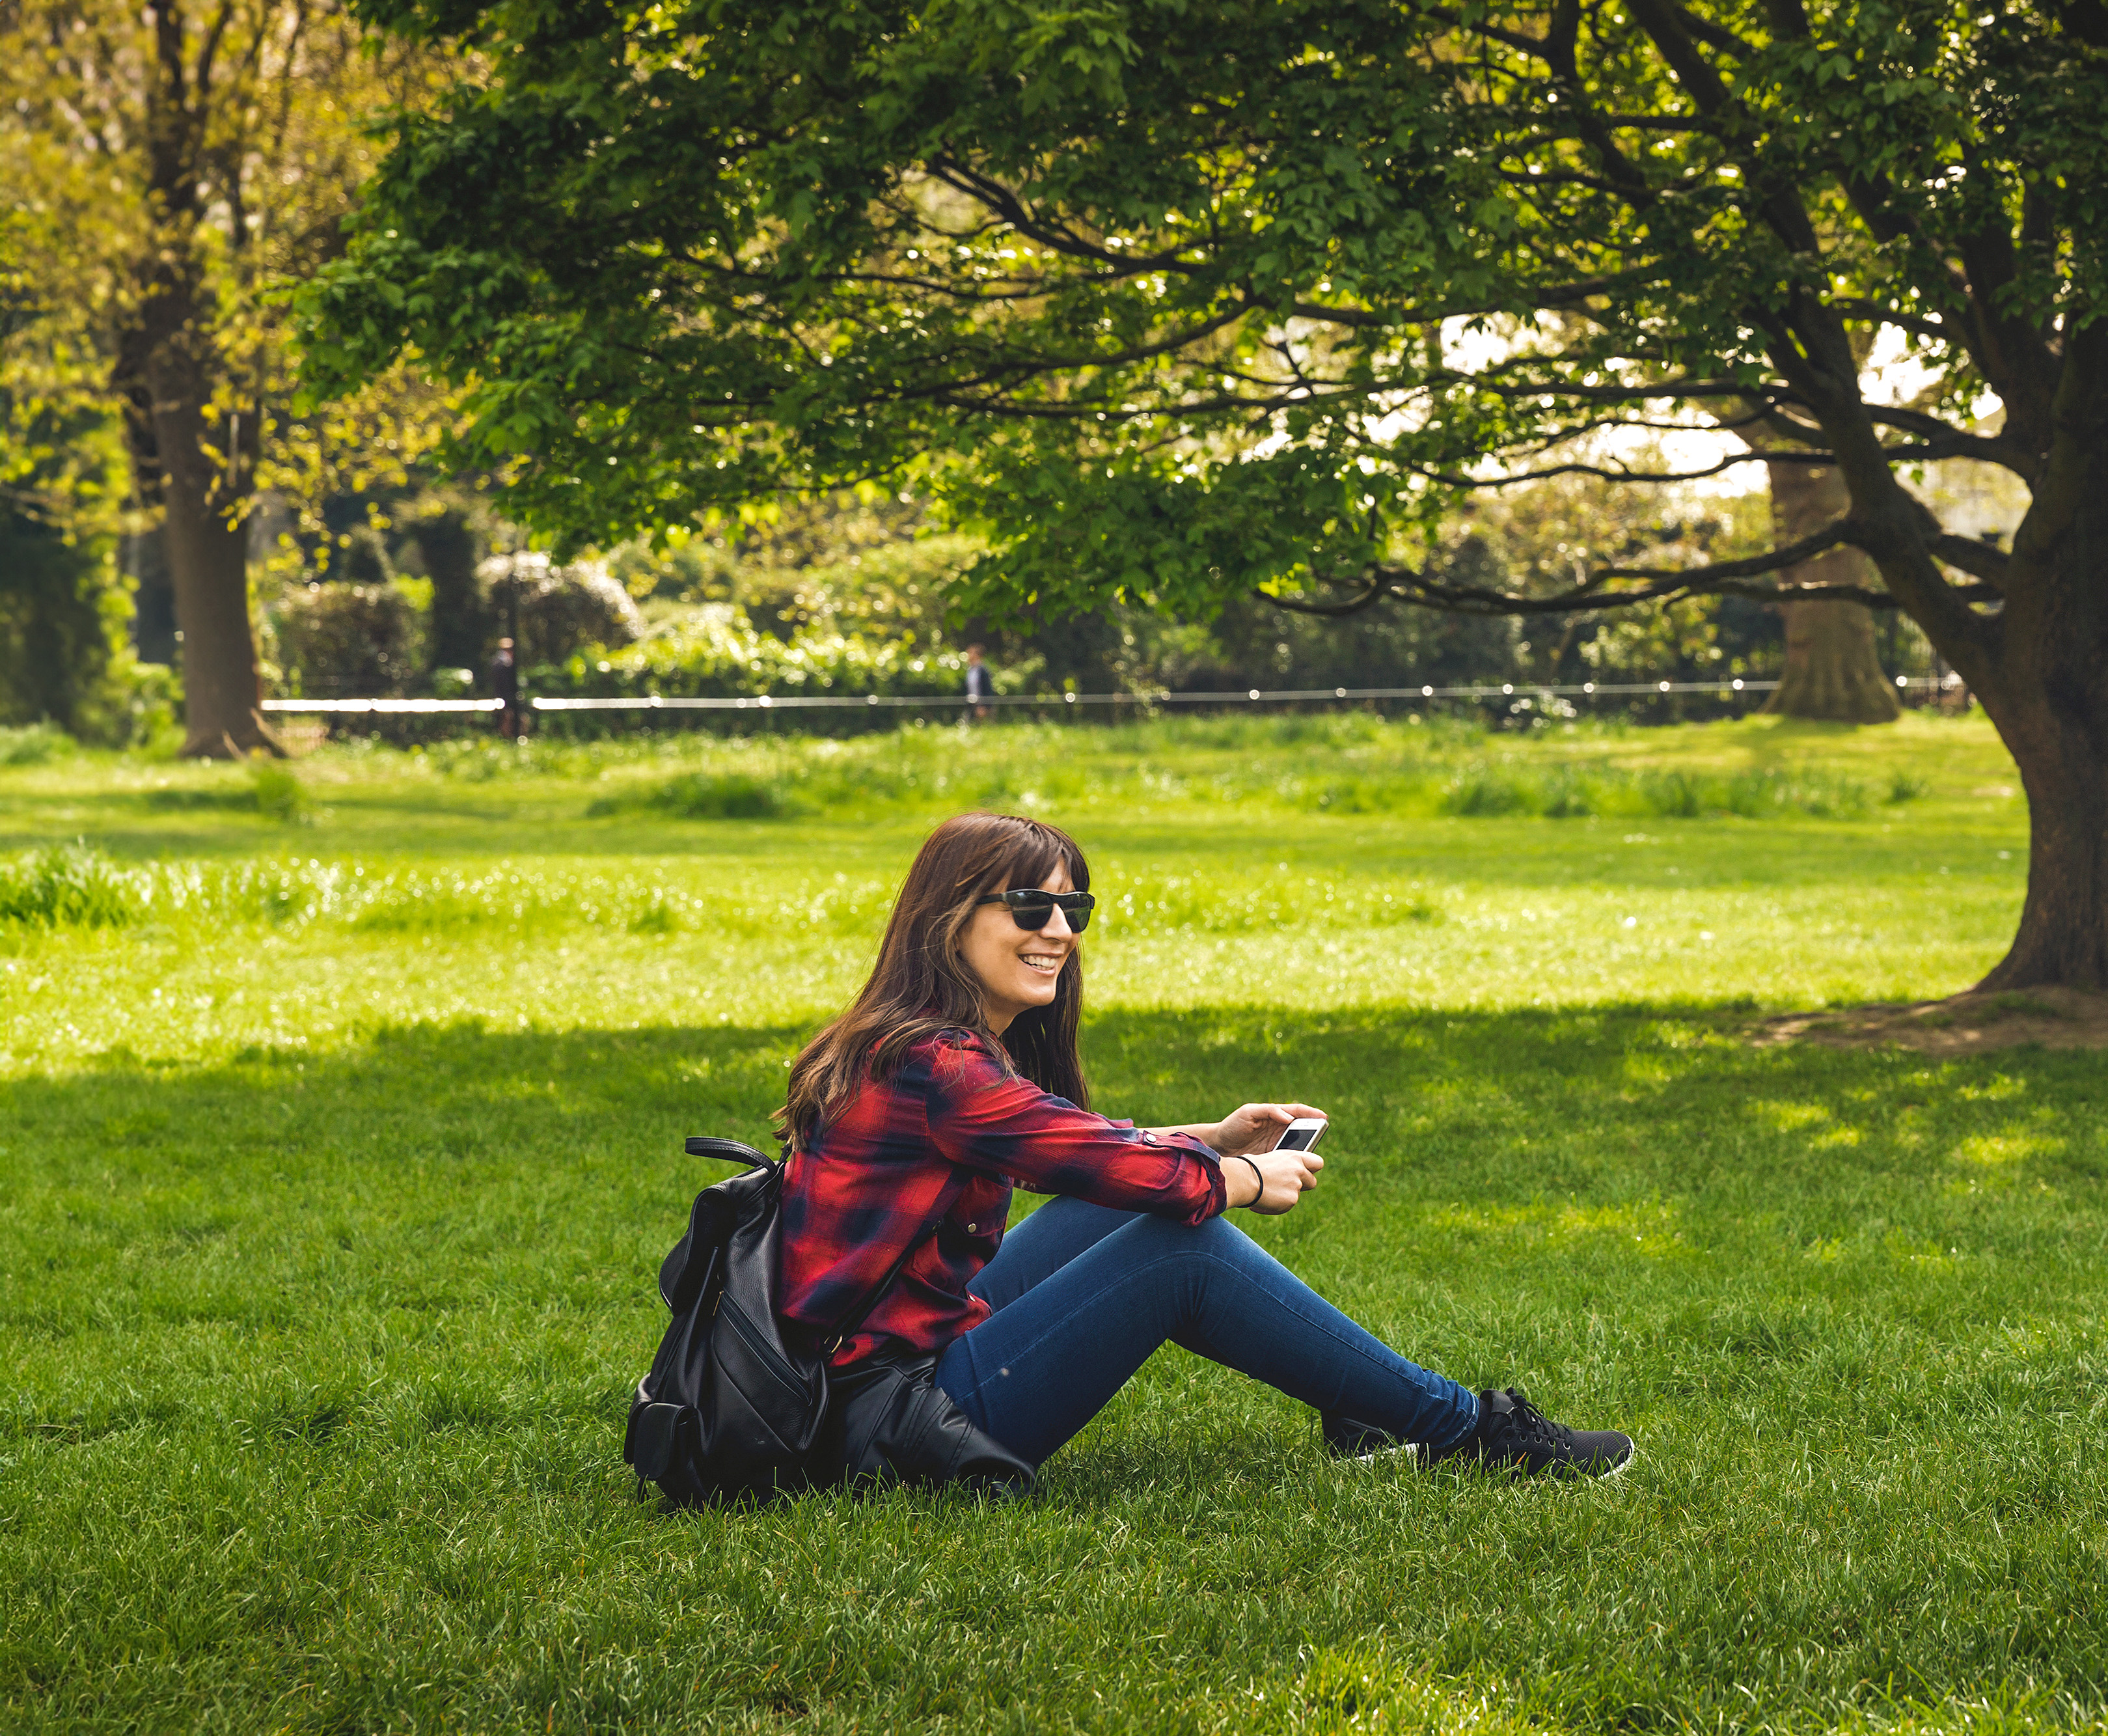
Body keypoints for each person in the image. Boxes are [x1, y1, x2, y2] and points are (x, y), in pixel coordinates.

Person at [776, 812, 1633, 1485]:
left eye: (1071, 907)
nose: (1057, 931)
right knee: (1179, 1248)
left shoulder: (917, 1044)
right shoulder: (936, 1063)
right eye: (1028, 907)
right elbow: (1110, 1162)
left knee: (1118, 1199)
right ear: (949, 917)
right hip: (890, 1418)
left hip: (868, 1377)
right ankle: (1466, 1429)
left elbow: (1080, 1149)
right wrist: (1239, 1177)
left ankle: (1359, 1400)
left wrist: (1207, 1139)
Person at [489, 636, 520, 740]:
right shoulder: (503, 664)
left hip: (503, 695)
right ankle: (506, 737)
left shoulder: (498, 662)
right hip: (504, 695)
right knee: (506, 717)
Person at [963, 643, 994, 721]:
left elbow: (987, 688)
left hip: (982, 706)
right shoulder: (970, 670)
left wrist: (985, 706)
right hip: (971, 704)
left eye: (971, 653)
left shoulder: (983, 671)